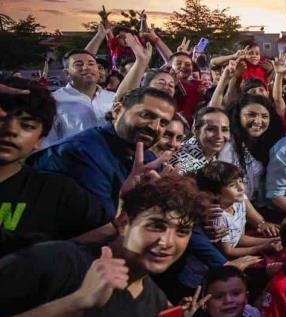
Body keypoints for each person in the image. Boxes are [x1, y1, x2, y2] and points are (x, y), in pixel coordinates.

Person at [0, 176, 205, 317]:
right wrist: (74, 304)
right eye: (156, 225)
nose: (167, 242)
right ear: (125, 224)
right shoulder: (57, 261)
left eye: (181, 232)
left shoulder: (158, 304)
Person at [0, 77, 109, 255]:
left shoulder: (58, 192)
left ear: (40, 140)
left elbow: (106, 236)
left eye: (27, 125)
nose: (11, 130)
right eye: (3, 119)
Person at [29, 86, 176, 215]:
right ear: (117, 111)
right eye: (147, 115)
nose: (154, 127)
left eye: (163, 123)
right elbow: (99, 227)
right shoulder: (79, 153)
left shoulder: (148, 158)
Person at [194, 161, 281, 259]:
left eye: (240, 181)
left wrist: (270, 241)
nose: (241, 188)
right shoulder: (218, 216)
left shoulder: (239, 202)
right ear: (214, 194)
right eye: (232, 185)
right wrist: (262, 248)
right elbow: (229, 252)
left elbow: (239, 238)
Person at [43, 49, 116, 148]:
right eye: (78, 64)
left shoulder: (112, 98)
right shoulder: (53, 101)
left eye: (91, 64)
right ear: (67, 73)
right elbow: (47, 142)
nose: (86, 68)